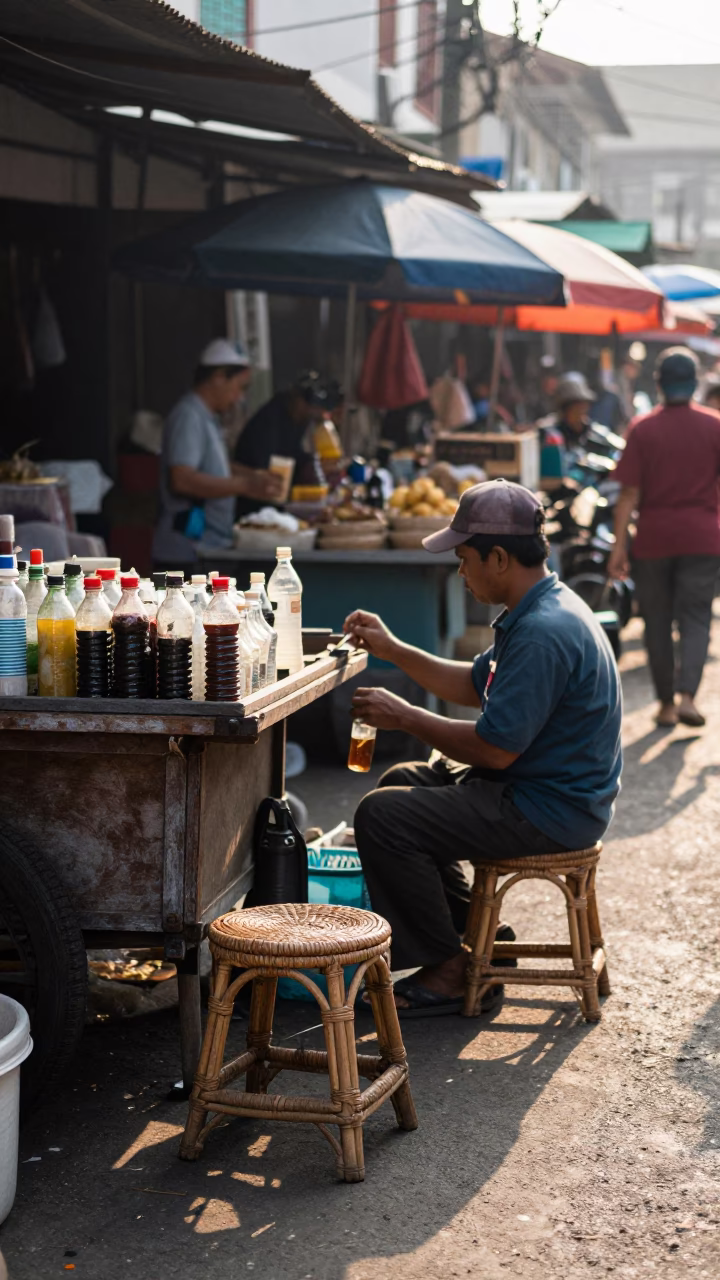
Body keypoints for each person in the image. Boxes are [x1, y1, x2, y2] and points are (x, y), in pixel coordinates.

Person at [345, 479, 622, 1016]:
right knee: (401, 784)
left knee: (383, 817)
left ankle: (448, 967)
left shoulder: (543, 631)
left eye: (464, 557)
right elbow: (474, 686)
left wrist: (406, 716)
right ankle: (474, 935)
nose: (461, 571)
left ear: (498, 557)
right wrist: (394, 650)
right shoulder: (539, 607)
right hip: (540, 791)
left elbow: (495, 751)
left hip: (549, 809)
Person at [608, 347, 720, 728]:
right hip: (703, 538)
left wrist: (618, 548)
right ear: (695, 384)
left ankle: (667, 705)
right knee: (696, 617)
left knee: (655, 620)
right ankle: (688, 694)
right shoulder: (714, 425)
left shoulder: (643, 428)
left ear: (658, 384)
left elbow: (627, 496)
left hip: (653, 540)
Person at [154, 339, 283, 566]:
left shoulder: (207, 417)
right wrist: (246, 486)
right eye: (240, 387)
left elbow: (217, 465)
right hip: (187, 553)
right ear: (218, 377)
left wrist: (254, 476)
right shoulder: (189, 416)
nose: (239, 398)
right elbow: (182, 479)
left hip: (209, 548)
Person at [233, 372, 327, 517]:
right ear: (295, 397)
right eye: (307, 403)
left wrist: (308, 463)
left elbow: (293, 453)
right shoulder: (269, 419)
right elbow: (263, 466)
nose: (309, 410)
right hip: (254, 502)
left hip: (276, 497)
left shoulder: (300, 419)